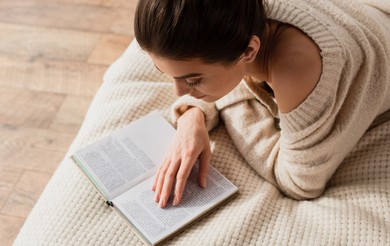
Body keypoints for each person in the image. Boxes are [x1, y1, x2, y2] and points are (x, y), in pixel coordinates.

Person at [134, 0, 390, 208]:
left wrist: (223, 107)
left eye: (193, 80)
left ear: (248, 52)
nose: (180, 94)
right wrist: (191, 116)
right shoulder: (239, 16)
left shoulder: (298, 67)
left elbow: (300, 183)